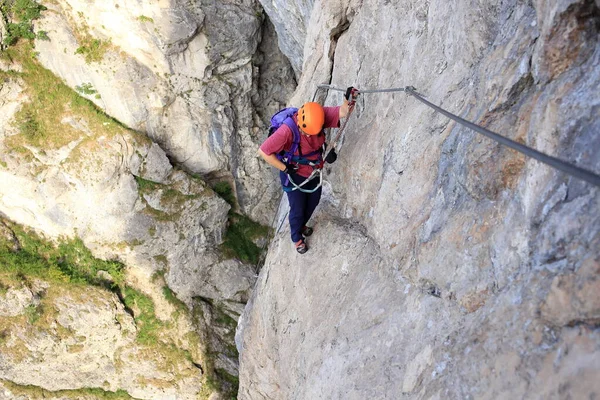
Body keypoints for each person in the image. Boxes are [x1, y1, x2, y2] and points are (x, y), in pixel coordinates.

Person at [258, 88, 357, 254]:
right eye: (307, 133)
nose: (310, 135)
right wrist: (285, 168)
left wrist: (348, 100)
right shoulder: (287, 131)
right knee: (297, 208)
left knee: (313, 201)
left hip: (313, 171)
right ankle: (296, 238)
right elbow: (264, 151)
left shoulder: (318, 116)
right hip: (294, 175)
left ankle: (302, 224)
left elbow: (342, 112)